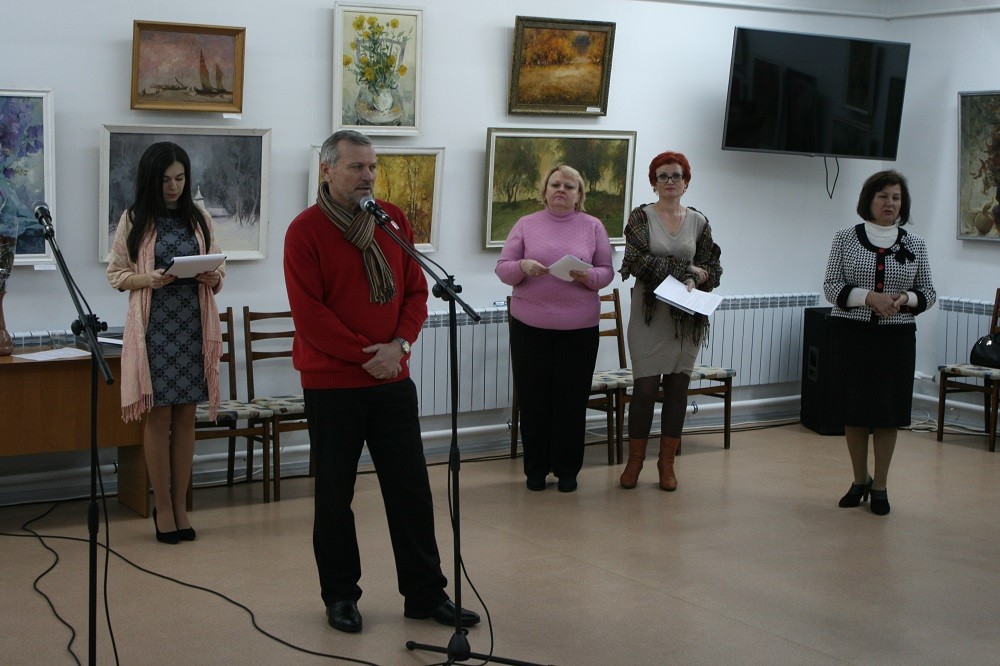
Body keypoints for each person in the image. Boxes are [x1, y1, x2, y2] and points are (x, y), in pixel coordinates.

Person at [283, 129, 479, 634]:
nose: (367, 175)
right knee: (335, 495)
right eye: (356, 167)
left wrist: (400, 347)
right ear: (327, 170)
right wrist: (368, 356)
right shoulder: (304, 231)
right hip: (332, 383)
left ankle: (425, 593)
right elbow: (310, 316)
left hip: (392, 377)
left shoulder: (391, 220)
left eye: (372, 166)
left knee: (410, 489)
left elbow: (416, 291)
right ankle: (340, 596)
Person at [106, 141, 224, 544]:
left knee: (186, 415)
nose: (174, 187)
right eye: (165, 180)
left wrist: (213, 277)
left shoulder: (199, 217)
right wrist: (148, 279)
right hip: (154, 329)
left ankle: (180, 506)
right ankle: (163, 508)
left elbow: (217, 270)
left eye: (180, 178)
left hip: (193, 326)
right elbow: (116, 274)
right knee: (158, 416)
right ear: (150, 180)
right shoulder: (134, 218)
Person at [495, 164, 615, 492]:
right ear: (545, 191)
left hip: (579, 331)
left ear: (579, 195)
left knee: (570, 402)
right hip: (529, 329)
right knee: (534, 400)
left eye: (569, 186)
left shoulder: (593, 226)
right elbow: (503, 269)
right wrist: (522, 266)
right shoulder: (526, 224)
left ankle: (567, 471)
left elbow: (606, 271)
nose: (561, 190)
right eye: (555, 184)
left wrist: (587, 276)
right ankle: (535, 470)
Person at [823, 170, 935, 516]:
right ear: (869, 200)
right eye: (883, 196)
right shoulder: (845, 238)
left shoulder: (916, 244)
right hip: (851, 335)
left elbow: (928, 292)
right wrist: (869, 297)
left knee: (888, 414)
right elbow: (831, 286)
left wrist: (903, 299)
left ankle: (881, 485)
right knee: (854, 411)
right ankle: (860, 480)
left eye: (896, 197)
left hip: (896, 339)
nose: (890, 203)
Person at [618, 151, 722, 491]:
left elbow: (713, 268)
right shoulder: (640, 217)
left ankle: (667, 464)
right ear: (653, 183)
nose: (670, 181)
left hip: (685, 319)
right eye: (662, 176)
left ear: (686, 182)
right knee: (645, 389)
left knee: (678, 390)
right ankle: (635, 462)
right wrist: (686, 269)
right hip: (649, 316)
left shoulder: (699, 221)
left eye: (676, 175)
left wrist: (699, 276)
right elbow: (637, 262)